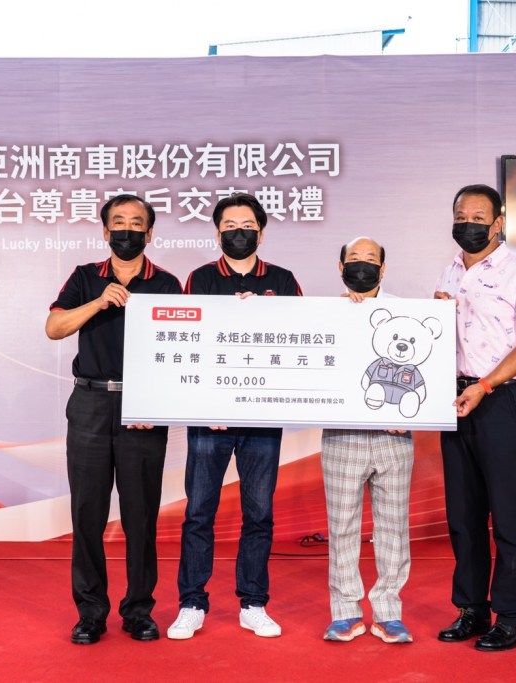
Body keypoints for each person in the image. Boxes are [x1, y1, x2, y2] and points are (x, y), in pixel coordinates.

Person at [45, 194, 182, 645]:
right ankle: (90, 612)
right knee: (87, 511)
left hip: (143, 409)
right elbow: (54, 328)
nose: (127, 230)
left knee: (141, 515)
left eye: (136, 223)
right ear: (105, 232)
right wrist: (99, 302)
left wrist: (154, 404)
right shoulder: (86, 277)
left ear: (149, 233)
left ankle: (138, 610)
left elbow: (181, 350)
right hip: (90, 403)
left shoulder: (167, 284)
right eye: (118, 222)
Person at [166, 192, 302, 640]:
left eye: (246, 226)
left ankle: (253, 602)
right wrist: (206, 400)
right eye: (229, 226)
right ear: (217, 233)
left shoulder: (282, 280)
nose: (238, 233)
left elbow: (303, 336)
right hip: (211, 417)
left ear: (261, 233)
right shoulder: (201, 278)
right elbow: (188, 339)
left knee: (259, 513)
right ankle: (191, 602)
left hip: (262, 418)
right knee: (199, 511)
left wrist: (265, 316)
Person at [433, 184, 516, 651]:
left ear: (498, 223)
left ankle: (514, 617)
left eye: (478, 217)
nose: (468, 224)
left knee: (509, 514)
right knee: (463, 516)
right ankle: (472, 609)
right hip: (454, 400)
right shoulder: (450, 271)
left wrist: (484, 386)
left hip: (502, 398)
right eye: (460, 216)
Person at [320, 237, 415, 644]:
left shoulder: (407, 315)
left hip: (394, 438)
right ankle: (344, 611)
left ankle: (389, 612)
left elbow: (425, 368)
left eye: (370, 259)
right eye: (354, 259)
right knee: (342, 526)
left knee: (393, 526)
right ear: (340, 266)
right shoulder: (325, 315)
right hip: (342, 436)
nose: (362, 265)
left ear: (383, 268)